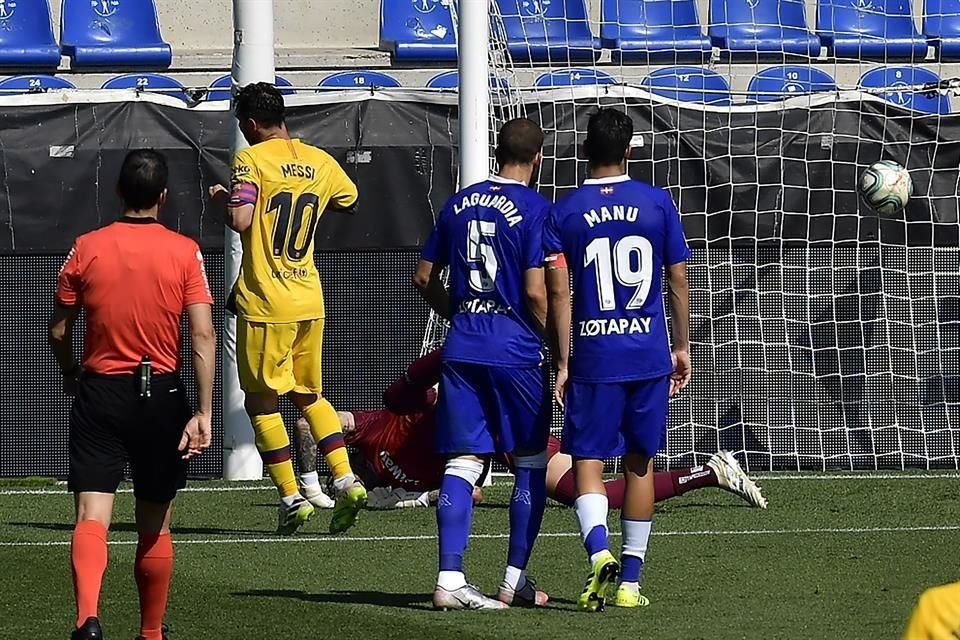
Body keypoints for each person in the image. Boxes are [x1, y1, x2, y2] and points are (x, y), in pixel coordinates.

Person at [49, 150, 216, 640]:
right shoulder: (185, 251)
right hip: (161, 393)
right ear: (163, 197)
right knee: (155, 520)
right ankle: (150, 632)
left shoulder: (86, 247)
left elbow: (59, 330)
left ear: (119, 191)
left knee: (91, 515)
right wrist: (204, 410)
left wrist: (71, 372)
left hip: (101, 391)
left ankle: (87, 620)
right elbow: (203, 335)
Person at [292, 349, 767, 511]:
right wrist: (408, 497)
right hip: (491, 442)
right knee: (593, 495)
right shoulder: (391, 484)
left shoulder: (377, 431)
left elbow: (310, 423)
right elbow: (470, 493)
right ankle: (709, 472)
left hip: (500, 419)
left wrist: (316, 484)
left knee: (593, 491)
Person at [544, 108, 692, 612]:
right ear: (630, 149)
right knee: (640, 464)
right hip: (647, 352)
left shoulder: (563, 212)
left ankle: (598, 551)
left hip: (594, 355)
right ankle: (630, 582)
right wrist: (682, 346)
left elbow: (558, 292)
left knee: (586, 459)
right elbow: (678, 280)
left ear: (585, 149)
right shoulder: (656, 203)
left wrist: (564, 360)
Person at [209, 82, 366, 535]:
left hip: (266, 301)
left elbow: (239, 218)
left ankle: (291, 497)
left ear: (252, 124)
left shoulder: (251, 160)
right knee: (308, 395)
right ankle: (346, 477)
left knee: (261, 402)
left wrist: (221, 198)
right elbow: (350, 199)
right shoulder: (320, 160)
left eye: (242, 123)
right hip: (309, 298)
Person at [413, 118, 552, 610]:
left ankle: (449, 578)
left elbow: (423, 275)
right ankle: (514, 579)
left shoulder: (458, 201)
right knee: (530, 462)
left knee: (463, 461)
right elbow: (537, 292)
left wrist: (459, 313)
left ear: (496, 152)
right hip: (516, 353)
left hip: (463, 346)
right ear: (538, 158)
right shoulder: (537, 208)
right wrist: (554, 342)